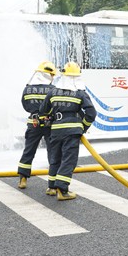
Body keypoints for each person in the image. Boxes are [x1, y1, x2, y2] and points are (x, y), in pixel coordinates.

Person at [40, 62, 96, 201]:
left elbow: (43, 111)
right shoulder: (80, 93)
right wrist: (83, 127)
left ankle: (52, 187)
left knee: (55, 159)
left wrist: (49, 121)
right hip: (72, 132)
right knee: (68, 160)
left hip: (56, 131)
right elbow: (91, 113)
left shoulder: (53, 92)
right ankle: (62, 190)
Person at [17, 61, 57, 190]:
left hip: (33, 123)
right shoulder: (52, 89)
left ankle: (23, 178)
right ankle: (52, 183)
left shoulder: (27, 88)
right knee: (52, 152)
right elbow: (55, 106)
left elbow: (25, 106)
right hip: (48, 123)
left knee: (29, 150)